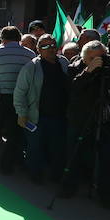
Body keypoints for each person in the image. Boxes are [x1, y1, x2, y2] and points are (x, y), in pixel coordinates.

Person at [64, 41, 110, 208]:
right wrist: (89, 71)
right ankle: (68, 187)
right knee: (74, 155)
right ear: (84, 57)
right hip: (81, 119)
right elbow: (73, 88)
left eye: (101, 57)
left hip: (107, 120)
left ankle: (106, 193)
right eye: (93, 58)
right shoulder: (75, 67)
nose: (98, 61)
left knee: (109, 158)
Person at [13, 34, 69, 184]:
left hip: (59, 117)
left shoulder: (64, 63)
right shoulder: (31, 67)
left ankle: (55, 176)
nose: (50, 49)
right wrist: (22, 113)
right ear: (38, 49)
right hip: (36, 117)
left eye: (52, 45)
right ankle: (34, 174)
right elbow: (20, 92)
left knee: (57, 149)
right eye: (45, 46)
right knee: (35, 148)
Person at [0, 26, 36, 174]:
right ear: (19, 38)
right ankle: (6, 166)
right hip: (20, 99)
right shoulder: (30, 54)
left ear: (2, 38)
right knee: (14, 133)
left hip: (0, 96)